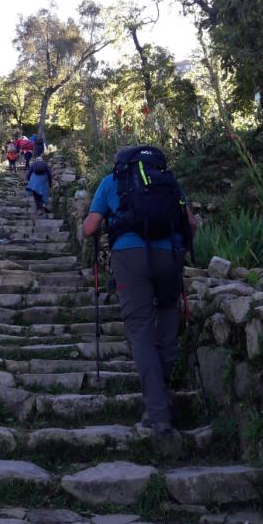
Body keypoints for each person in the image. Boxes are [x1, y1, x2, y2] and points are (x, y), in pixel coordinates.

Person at [82, 145, 196, 435]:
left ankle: (157, 413)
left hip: (129, 256)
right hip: (170, 254)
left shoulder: (111, 182)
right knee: (168, 313)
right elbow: (191, 223)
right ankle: (161, 388)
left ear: (119, 163)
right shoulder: (168, 182)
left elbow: (90, 227)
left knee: (140, 329)